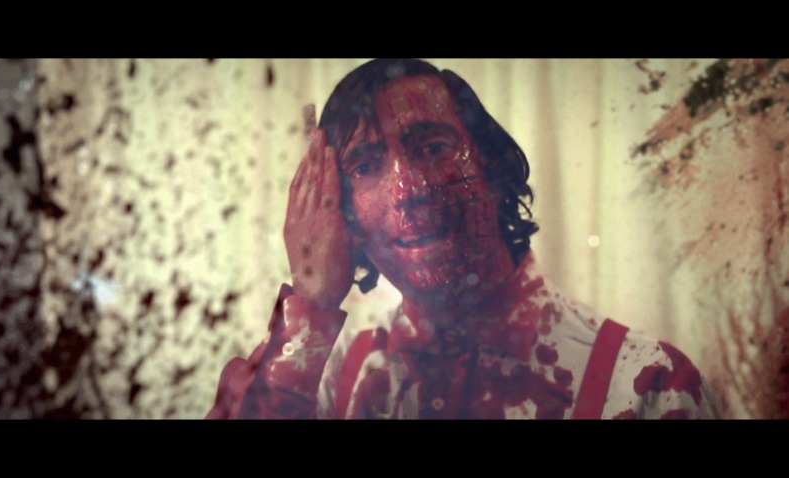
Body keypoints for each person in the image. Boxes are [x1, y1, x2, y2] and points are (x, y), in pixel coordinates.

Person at [206, 59, 723, 419]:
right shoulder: (327, 382)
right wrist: (311, 303)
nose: (408, 191)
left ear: (492, 165)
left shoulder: (647, 386)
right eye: (364, 166)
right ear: (341, 217)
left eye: (432, 146)